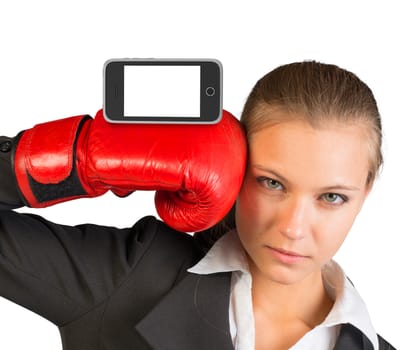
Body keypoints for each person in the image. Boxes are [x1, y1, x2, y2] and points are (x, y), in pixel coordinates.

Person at [0, 61, 395, 350]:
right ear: (235, 167)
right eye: (272, 183)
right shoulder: (129, 278)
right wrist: (79, 158)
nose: (293, 227)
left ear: (366, 191)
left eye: (331, 197)